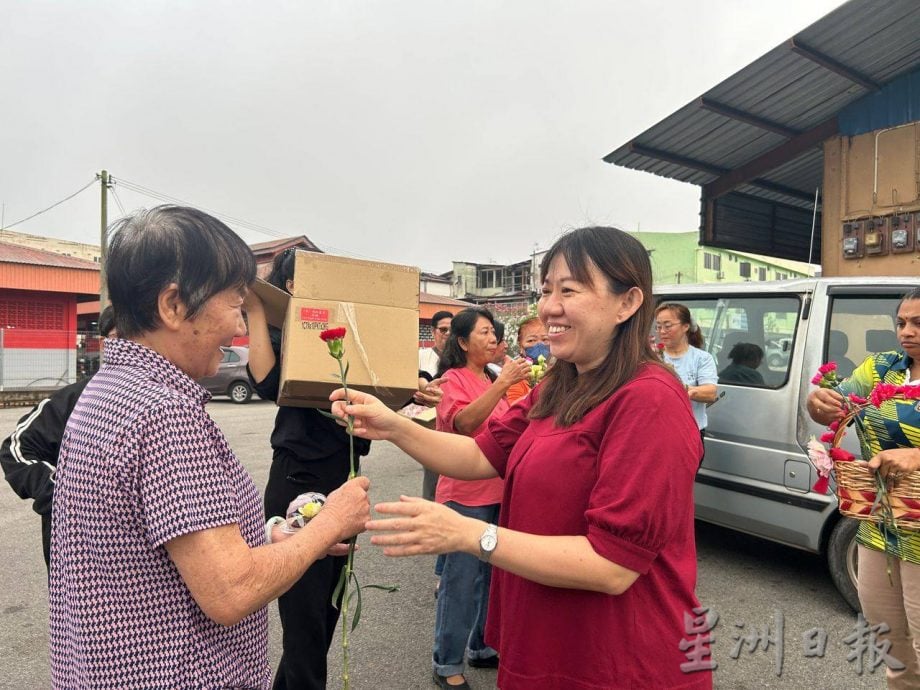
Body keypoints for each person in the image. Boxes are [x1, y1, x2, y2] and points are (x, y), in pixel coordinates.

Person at [331, 226, 710, 690]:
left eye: (569, 289)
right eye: (546, 289)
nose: (549, 306)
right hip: (545, 639)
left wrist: (470, 533)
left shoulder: (649, 399)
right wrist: (393, 425)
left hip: (616, 658)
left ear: (627, 303)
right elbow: (478, 454)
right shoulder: (560, 383)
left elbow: (612, 566)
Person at [49, 206, 370, 689]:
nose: (240, 324)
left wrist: (271, 539)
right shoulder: (164, 413)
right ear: (174, 305)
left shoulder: (107, 390)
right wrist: (328, 526)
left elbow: (172, 552)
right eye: (234, 303)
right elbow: (232, 591)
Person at [244, 247, 374, 690]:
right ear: (294, 286)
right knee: (305, 624)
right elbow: (265, 382)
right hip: (300, 480)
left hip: (344, 476)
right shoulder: (288, 335)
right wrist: (257, 310)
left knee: (326, 614)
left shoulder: (347, 332)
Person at [807, 287, 920, 689]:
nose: (906, 332)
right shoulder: (883, 368)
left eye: (918, 323)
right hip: (879, 527)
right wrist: (818, 402)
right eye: (902, 322)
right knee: (892, 647)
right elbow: (834, 402)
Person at [431, 307, 529, 689]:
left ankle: (482, 646)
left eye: (494, 332)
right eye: (484, 332)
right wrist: (502, 384)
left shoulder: (490, 376)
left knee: (491, 578)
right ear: (462, 342)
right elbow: (465, 423)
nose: (493, 339)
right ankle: (446, 663)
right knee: (460, 580)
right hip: (465, 495)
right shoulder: (451, 380)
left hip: (499, 491)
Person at [0, 306, 115, 572]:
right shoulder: (72, 399)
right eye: (119, 338)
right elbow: (16, 448)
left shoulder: (166, 402)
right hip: (75, 563)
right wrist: (60, 493)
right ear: (106, 343)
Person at [655, 302, 718, 443]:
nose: (662, 331)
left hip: (689, 431)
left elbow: (710, 393)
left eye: (668, 325)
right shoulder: (652, 357)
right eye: (658, 326)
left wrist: (682, 388)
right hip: (657, 431)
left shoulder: (701, 358)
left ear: (685, 326)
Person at [419, 310, 454, 500]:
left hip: (454, 426)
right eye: (443, 329)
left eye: (452, 330)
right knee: (433, 476)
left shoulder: (461, 359)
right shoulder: (422, 356)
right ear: (433, 332)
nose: (448, 334)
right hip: (429, 426)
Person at [506, 316, 550, 405]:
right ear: (520, 346)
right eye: (531, 340)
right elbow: (513, 408)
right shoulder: (515, 376)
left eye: (545, 339)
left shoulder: (562, 371)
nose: (539, 344)